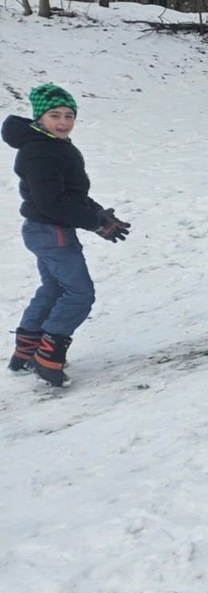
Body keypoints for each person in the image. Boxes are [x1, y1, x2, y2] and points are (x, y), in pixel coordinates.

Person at [4, 84, 131, 387]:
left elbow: (70, 193)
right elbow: (52, 201)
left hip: (45, 230)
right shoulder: (41, 151)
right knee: (79, 294)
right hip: (52, 232)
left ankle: (27, 348)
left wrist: (98, 214)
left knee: (54, 288)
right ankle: (48, 356)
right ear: (39, 117)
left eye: (69, 115)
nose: (63, 122)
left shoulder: (50, 145)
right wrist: (94, 223)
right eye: (55, 115)